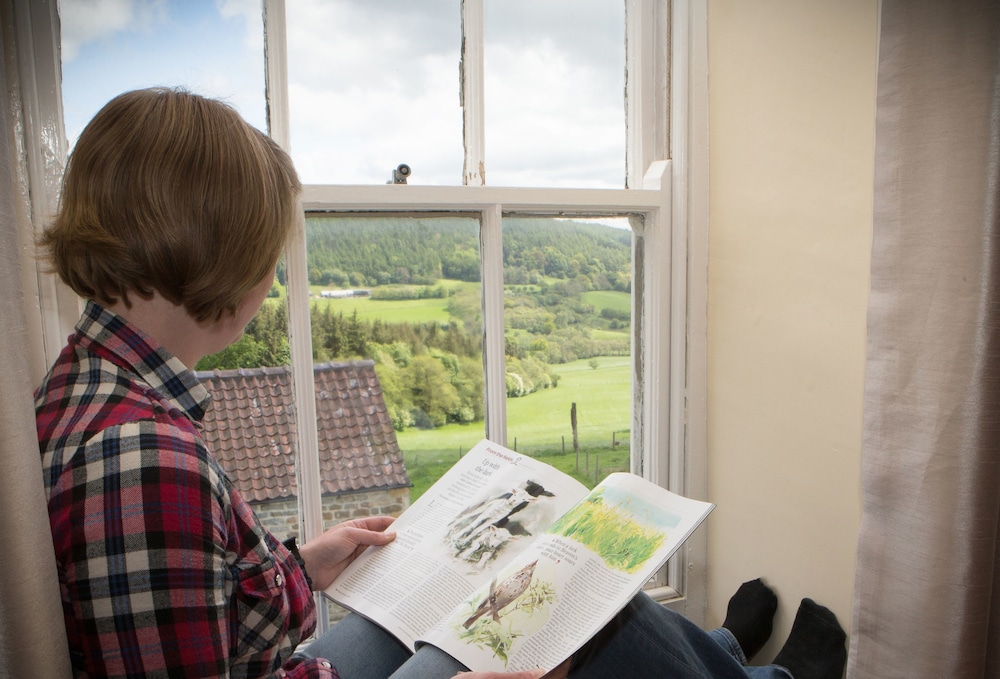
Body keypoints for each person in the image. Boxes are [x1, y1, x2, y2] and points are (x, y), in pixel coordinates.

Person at [35, 87, 847, 679]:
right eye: (265, 250)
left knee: (535, 574)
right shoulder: (143, 462)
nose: (272, 273)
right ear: (221, 255)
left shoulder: (89, 383)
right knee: (560, 594)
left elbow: (199, 599)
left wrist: (300, 563)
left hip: (279, 659)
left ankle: (727, 657)